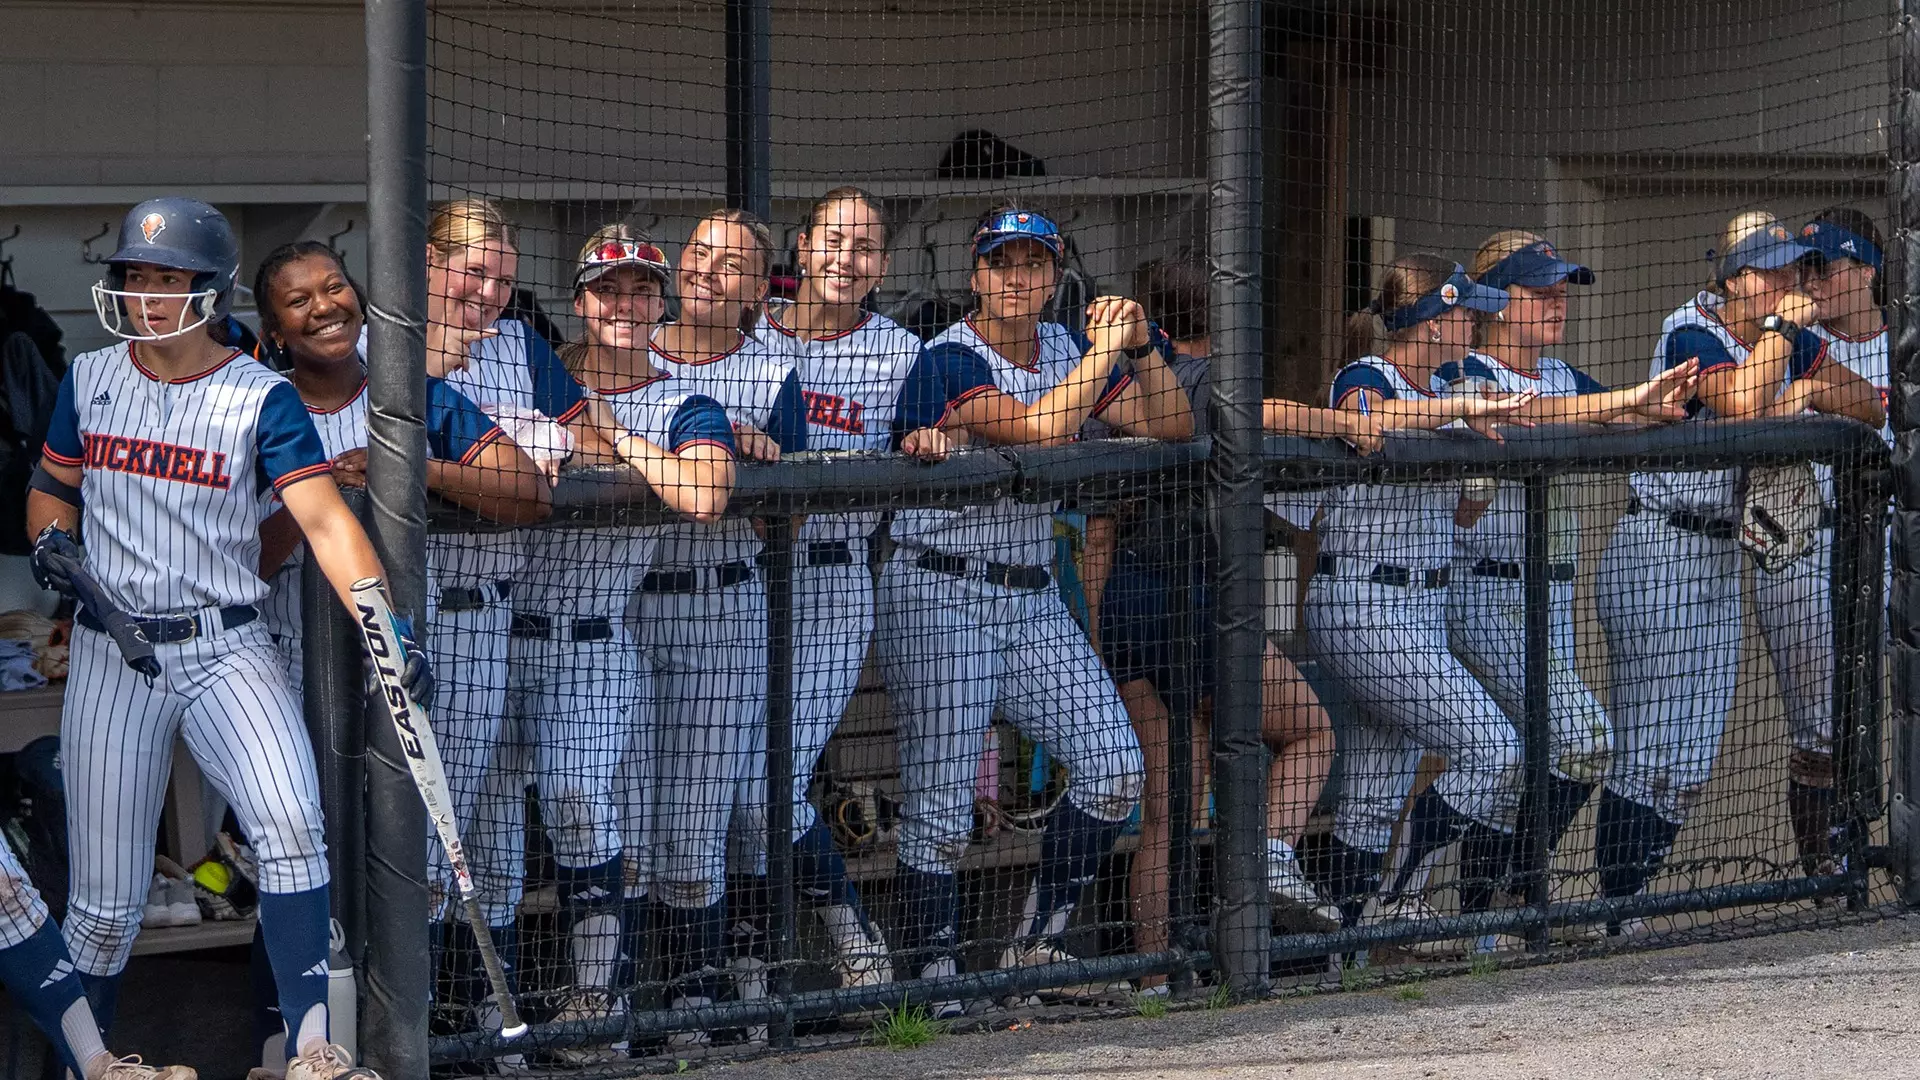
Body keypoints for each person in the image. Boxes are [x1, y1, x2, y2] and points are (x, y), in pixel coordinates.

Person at [29, 198, 426, 1079]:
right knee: (103, 904)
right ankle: (88, 1067)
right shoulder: (89, 378)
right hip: (110, 645)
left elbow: (324, 523)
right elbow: (51, 487)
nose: (145, 293)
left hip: (226, 641)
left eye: (167, 279)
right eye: (135, 276)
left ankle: (313, 1049)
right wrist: (51, 541)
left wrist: (383, 622)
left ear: (208, 291)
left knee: (290, 829)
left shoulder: (261, 394)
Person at [245, 240, 550, 1070]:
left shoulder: (410, 398)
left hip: (407, 647)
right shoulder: (250, 401)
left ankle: (425, 1033)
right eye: (298, 300)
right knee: (301, 839)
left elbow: (528, 493)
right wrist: (316, 493)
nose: (324, 307)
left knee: (421, 841)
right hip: (282, 647)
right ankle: (306, 1036)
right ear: (272, 330)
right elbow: (246, 552)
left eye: (334, 287)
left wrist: (409, 468)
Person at [878, 204, 1190, 1006]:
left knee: (1116, 770)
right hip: (939, 586)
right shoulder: (944, 358)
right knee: (942, 805)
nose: (1020, 278)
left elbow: (1174, 426)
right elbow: (1042, 430)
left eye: (1036, 264)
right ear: (976, 276)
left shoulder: (1063, 345)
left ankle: (1033, 951)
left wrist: (1143, 343)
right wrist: (1103, 356)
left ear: (1056, 277)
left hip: (1029, 592)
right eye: (1003, 264)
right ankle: (933, 989)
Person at [1079, 250, 1367, 990]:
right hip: (1201, 598)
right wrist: (1341, 420)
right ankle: (1269, 861)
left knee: (1170, 806)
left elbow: (1100, 535)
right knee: (1310, 730)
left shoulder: (1115, 388)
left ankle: (1154, 976)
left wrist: (1101, 640)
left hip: (1131, 600)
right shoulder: (1203, 379)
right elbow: (1265, 414)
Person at [1595, 212, 1882, 931]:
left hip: (1722, 551)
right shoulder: (1692, 327)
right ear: (1729, 279)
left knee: (1689, 766)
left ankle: (1619, 908)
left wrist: (1812, 391)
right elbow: (1745, 402)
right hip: (1659, 548)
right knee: (1647, 752)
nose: (1790, 283)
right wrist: (1786, 344)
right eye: (1773, 271)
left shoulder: (1786, 337)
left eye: (1794, 270)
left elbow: (1870, 402)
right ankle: (1611, 910)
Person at [1436, 232, 1695, 922]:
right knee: (1583, 739)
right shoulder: (1459, 372)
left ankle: (1482, 920)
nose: (1558, 302)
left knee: (1520, 762)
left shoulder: (1561, 375)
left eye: (1560, 289)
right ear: (1494, 300)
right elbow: (1534, 418)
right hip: (1479, 589)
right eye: (1539, 290)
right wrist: (1624, 402)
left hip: (1548, 592)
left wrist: (1661, 400)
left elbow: (1630, 412)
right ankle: (1509, 891)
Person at [526, 224, 738, 1058]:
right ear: (579, 301)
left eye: (641, 290)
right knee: (494, 845)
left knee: (584, 806)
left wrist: (616, 438)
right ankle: (479, 1025)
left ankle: (595, 1005)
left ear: (662, 303)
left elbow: (705, 493)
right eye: (607, 289)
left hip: (598, 632)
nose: (625, 303)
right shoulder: (533, 377)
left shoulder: (687, 399)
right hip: (494, 630)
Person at [1302, 253, 1539, 955]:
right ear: (1430, 322)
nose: (1473, 321)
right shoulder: (1367, 375)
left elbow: (1461, 519)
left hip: (1420, 605)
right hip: (1361, 597)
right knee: (1493, 749)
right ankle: (1396, 905)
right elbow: (1365, 423)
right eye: (1464, 312)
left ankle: (1341, 954)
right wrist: (1457, 410)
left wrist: (1478, 478)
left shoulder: (1447, 382)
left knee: (1374, 795)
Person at [418, 197, 611, 1041]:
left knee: (473, 838)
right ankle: (410, 1031)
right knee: (416, 836)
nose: (490, 291)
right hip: (405, 613)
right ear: (428, 263)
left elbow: (595, 440)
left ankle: (460, 1024)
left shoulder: (517, 345)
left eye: (502, 275)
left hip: (491, 618)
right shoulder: (372, 345)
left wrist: (553, 440)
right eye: (473, 271)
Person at [752, 188, 949, 991]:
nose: (845, 258)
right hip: (729, 577)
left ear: (882, 269)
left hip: (832, 574)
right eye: (832, 241)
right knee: (726, 782)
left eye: (864, 248)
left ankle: (855, 943)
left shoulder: (901, 352)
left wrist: (933, 435)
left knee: (771, 783)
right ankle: (745, 968)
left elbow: (932, 430)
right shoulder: (748, 329)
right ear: (801, 249)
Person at [629, 207, 805, 1035]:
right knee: (625, 819)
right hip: (621, 607)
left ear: (755, 291)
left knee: (696, 823)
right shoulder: (625, 346)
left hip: (722, 605)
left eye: (729, 264)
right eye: (698, 253)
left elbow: (796, 517)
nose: (706, 270)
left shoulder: (776, 374)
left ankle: (697, 998)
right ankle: (620, 1004)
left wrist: (746, 464)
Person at [1762, 209, 1890, 882]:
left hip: (1892, 546)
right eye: (1802, 267)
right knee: (1820, 730)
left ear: (1867, 271)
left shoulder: (1904, 345)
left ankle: (1881, 862)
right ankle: (1829, 884)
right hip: (1804, 546)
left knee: (1886, 711)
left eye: (1825, 266)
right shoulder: (1788, 343)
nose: (1810, 280)